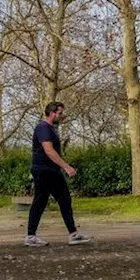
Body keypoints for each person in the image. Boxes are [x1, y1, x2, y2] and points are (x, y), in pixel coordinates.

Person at [25, 101, 93, 246]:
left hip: (51, 171)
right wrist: (66, 167)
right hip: (43, 171)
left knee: (63, 200)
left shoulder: (51, 129)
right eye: (60, 113)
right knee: (41, 201)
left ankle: (73, 234)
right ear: (52, 113)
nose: (61, 116)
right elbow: (49, 150)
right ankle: (31, 237)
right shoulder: (43, 128)